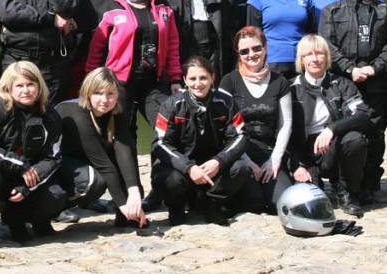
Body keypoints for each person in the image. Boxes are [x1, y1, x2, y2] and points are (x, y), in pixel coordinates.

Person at [0, 61, 68, 252]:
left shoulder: (50, 115)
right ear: (8, 87)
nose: (26, 90)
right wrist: (19, 165)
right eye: (19, 85)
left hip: (24, 175)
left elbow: (54, 157)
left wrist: (29, 183)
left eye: (30, 84)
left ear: (39, 86)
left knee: (56, 195)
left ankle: (22, 220)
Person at [318, 0, 387, 202]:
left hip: (377, 82)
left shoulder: (385, 10)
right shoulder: (332, 11)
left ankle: (370, 183)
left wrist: (375, 67)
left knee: (375, 133)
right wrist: (350, 69)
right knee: (346, 131)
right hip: (344, 82)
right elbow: (327, 45)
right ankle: (344, 183)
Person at [85, 0, 182, 147]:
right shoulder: (110, 7)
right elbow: (96, 51)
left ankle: (164, 166)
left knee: (167, 129)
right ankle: (128, 169)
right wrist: (92, 83)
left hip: (154, 82)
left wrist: (175, 78)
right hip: (119, 83)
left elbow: (173, 45)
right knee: (123, 135)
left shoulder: (162, 5)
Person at [151, 56, 249, 226]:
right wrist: (188, 167)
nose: (198, 84)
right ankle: (176, 209)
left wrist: (219, 161)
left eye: (203, 78)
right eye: (192, 79)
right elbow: (159, 143)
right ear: (184, 80)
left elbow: (241, 136)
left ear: (212, 77)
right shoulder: (171, 104)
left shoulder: (226, 101)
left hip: (211, 167)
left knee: (240, 168)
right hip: (182, 168)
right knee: (171, 179)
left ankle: (211, 203)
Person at [288, 34, 373, 217]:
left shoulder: (342, 84)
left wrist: (332, 129)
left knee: (355, 139)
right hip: (304, 153)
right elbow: (282, 132)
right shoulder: (290, 89)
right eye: (309, 54)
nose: (315, 59)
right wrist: (296, 165)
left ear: (327, 57)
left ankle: (347, 192)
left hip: (332, 145)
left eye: (319, 53)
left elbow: (363, 115)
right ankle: (315, 181)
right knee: (311, 201)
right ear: (301, 59)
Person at [55, 68, 149, 228]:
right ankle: (56, 209)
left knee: (128, 159)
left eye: (110, 94)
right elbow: (103, 165)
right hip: (60, 164)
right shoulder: (76, 112)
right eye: (98, 93)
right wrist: (124, 205)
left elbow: (125, 150)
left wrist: (134, 191)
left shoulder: (116, 109)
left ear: (117, 94)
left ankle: (126, 217)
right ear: (88, 93)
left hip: (87, 157)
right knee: (95, 182)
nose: (105, 100)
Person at [218, 27, 293, 214]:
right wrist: (247, 161)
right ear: (239, 54)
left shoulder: (280, 82)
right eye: (244, 51)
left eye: (257, 48)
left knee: (281, 203)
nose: (251, 54)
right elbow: (224, 127)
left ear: (265, 48)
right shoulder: (229, 81)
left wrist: (275, 159)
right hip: (239, 155)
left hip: (269, 153)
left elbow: (285, 124)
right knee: (254, 203)